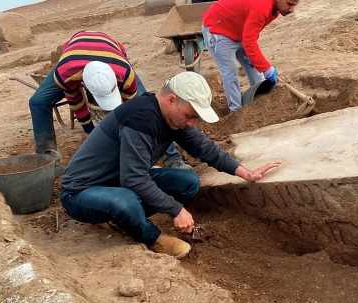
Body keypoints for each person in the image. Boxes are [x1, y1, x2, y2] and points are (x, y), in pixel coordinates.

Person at [60, 72, 281, 258]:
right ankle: (153, 238)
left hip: (118, 182)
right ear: (172, 99)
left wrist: (245, 172)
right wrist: (175, 209)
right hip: (81, 193)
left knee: (188, 181)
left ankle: (125, 220)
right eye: (190, 115)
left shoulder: (172, 117)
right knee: (125, 200)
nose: (192, 123)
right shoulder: (140, 119)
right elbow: (134, 179)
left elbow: (204, 147)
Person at [28, 30, 188, 170]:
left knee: (147, 107)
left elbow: (134, 109)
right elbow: (76, 101)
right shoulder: (66, 73)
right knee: (37, 102)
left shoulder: (125, 73)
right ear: (83, 82)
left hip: (112, 51)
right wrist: (91, 131)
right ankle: (48, 160)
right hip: (74, 56)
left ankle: (173, 158)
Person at [202, 0, 299, 112]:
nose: (292, 10)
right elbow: (249, 42)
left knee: (254, 66)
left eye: (294, 5)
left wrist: (262, 66)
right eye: (289, 4)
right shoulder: (262, 7)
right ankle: (236, 111)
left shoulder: (275, 9)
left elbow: (251, 35)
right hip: (217, 27)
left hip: (239, 29)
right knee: (230, 71)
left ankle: (260, 101)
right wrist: (267, 69)